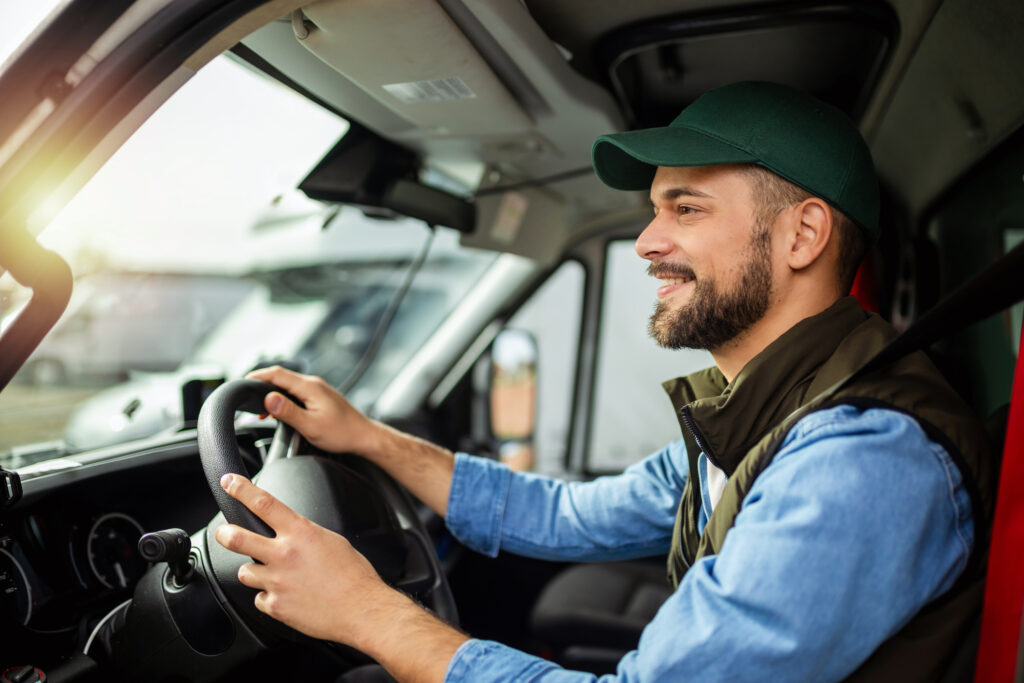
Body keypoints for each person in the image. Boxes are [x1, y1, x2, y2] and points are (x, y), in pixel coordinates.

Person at [213, 82, 992, 682]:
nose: (648, 243)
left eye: (685, 208)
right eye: (654, 211)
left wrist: (365, 610)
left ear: (803, 234)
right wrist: (370, 440)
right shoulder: (763, 408)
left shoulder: (859, 458)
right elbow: (567, 514)